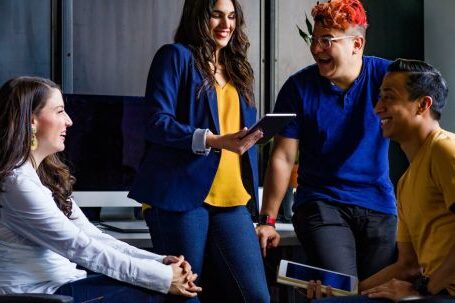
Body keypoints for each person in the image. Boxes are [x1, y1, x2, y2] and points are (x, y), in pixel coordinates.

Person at [0, 76, 201, 303]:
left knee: (177, 289)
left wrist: (160, 262)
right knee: (176, 294)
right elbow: (78, 246)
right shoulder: (17, 183)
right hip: (39, 295)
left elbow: (93, 236)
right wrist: (163, 278)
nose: (69, 121)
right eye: (59, 112)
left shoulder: (43, 177)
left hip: (66, 283)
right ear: (31, 121)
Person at [128, 0, 269, 302]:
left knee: (256, 296)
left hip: (233, 197)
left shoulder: (237, 67)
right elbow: (155, 122)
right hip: (181, 196)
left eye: (231, 17)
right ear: (198, 17)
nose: (225, 24)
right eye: (216, 15)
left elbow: (235, 132)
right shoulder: (175, 56)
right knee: (184, 295)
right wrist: (214, 140)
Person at [257, 0, 397, 281]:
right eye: (314, 39)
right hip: (321, 204)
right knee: (342, 288)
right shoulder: (298, 87)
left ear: (356, 44)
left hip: (379, 205)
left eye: (326, 40)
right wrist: (267, 221)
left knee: (377, 293)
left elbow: (424, 119)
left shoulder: (389, 78)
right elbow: (283, 157)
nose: (315, 49)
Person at [357, 59, 455, 300]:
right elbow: (408, 266)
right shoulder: (405, 182)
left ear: (423, 104)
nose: (377, 108)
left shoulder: (445, 150)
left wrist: (421, 290)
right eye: (379, 98)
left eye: (389, 97)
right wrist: (347, 291)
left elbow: (417, 282)